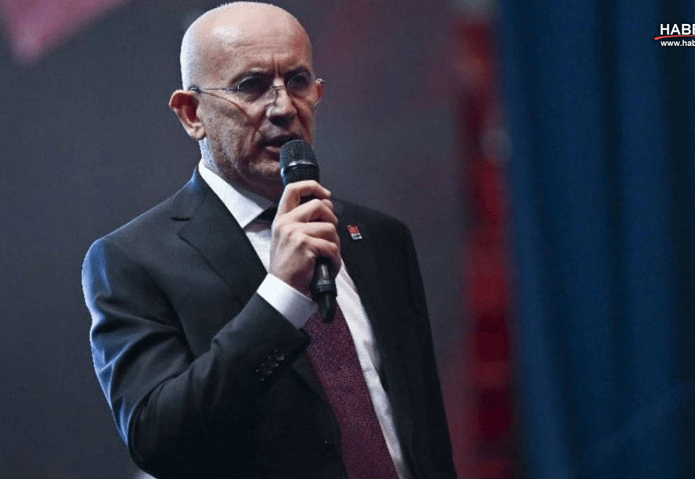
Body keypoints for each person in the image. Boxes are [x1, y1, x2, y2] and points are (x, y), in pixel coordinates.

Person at [82, 3, 457, 479]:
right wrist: (280, 295)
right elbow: (156, 438)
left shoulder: (380, 239)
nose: (283, 108)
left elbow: (425, 430)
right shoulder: (133, 260)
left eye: (297, 81)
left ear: (318, 93)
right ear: (191, 113)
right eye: (251, 86)